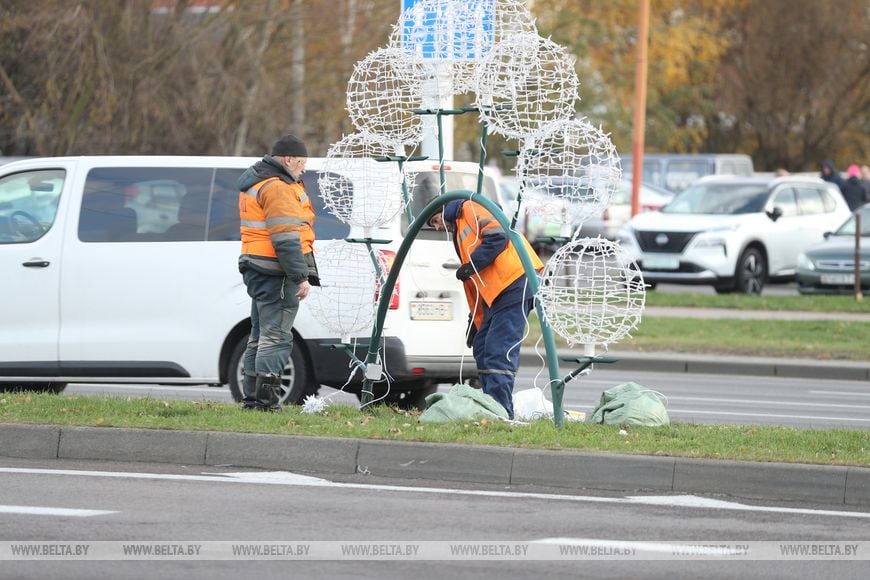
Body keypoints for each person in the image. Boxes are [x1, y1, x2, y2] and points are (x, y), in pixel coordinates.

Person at [428, 199, 544, 419]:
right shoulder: (462, 225)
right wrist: (476, 321)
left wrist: (470, 266)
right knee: (482, 348)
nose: (437, 227)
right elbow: (479, 286)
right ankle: (491, 408)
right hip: (500, 290)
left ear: (443, 210)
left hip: (514, 283)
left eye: (435, 221)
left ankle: (501, 414)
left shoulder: (471, 207)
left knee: (497, 353)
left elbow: (498, 237)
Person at [236, 134, 320, 412]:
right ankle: (267, 403)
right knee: (277, 337)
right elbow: (285, 238)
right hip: (275, 270)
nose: (304, 168)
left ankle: (251, 400)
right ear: (287, 159)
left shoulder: (257, 181)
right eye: (301, 162)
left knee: (259, 336)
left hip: (255, 264)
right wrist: (300, 276)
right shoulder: (278, 187)